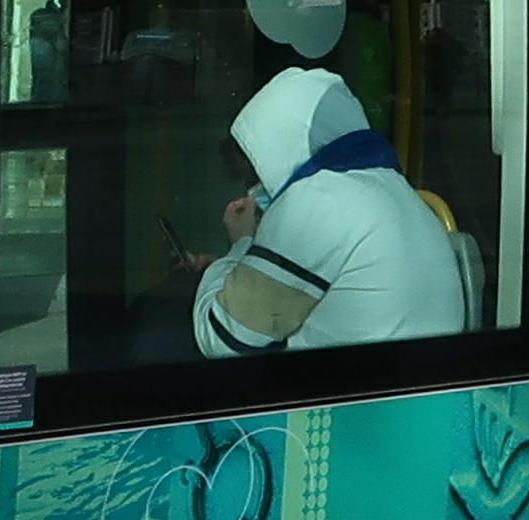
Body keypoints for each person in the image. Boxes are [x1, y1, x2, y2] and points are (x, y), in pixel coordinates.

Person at [178, 61, 469, 358]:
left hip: (355, 400)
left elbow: (221, 340)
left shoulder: (315, 202)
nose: (255, 186)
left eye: (257, 171)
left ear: (278, 150)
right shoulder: (395, 189)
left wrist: (240, 244)